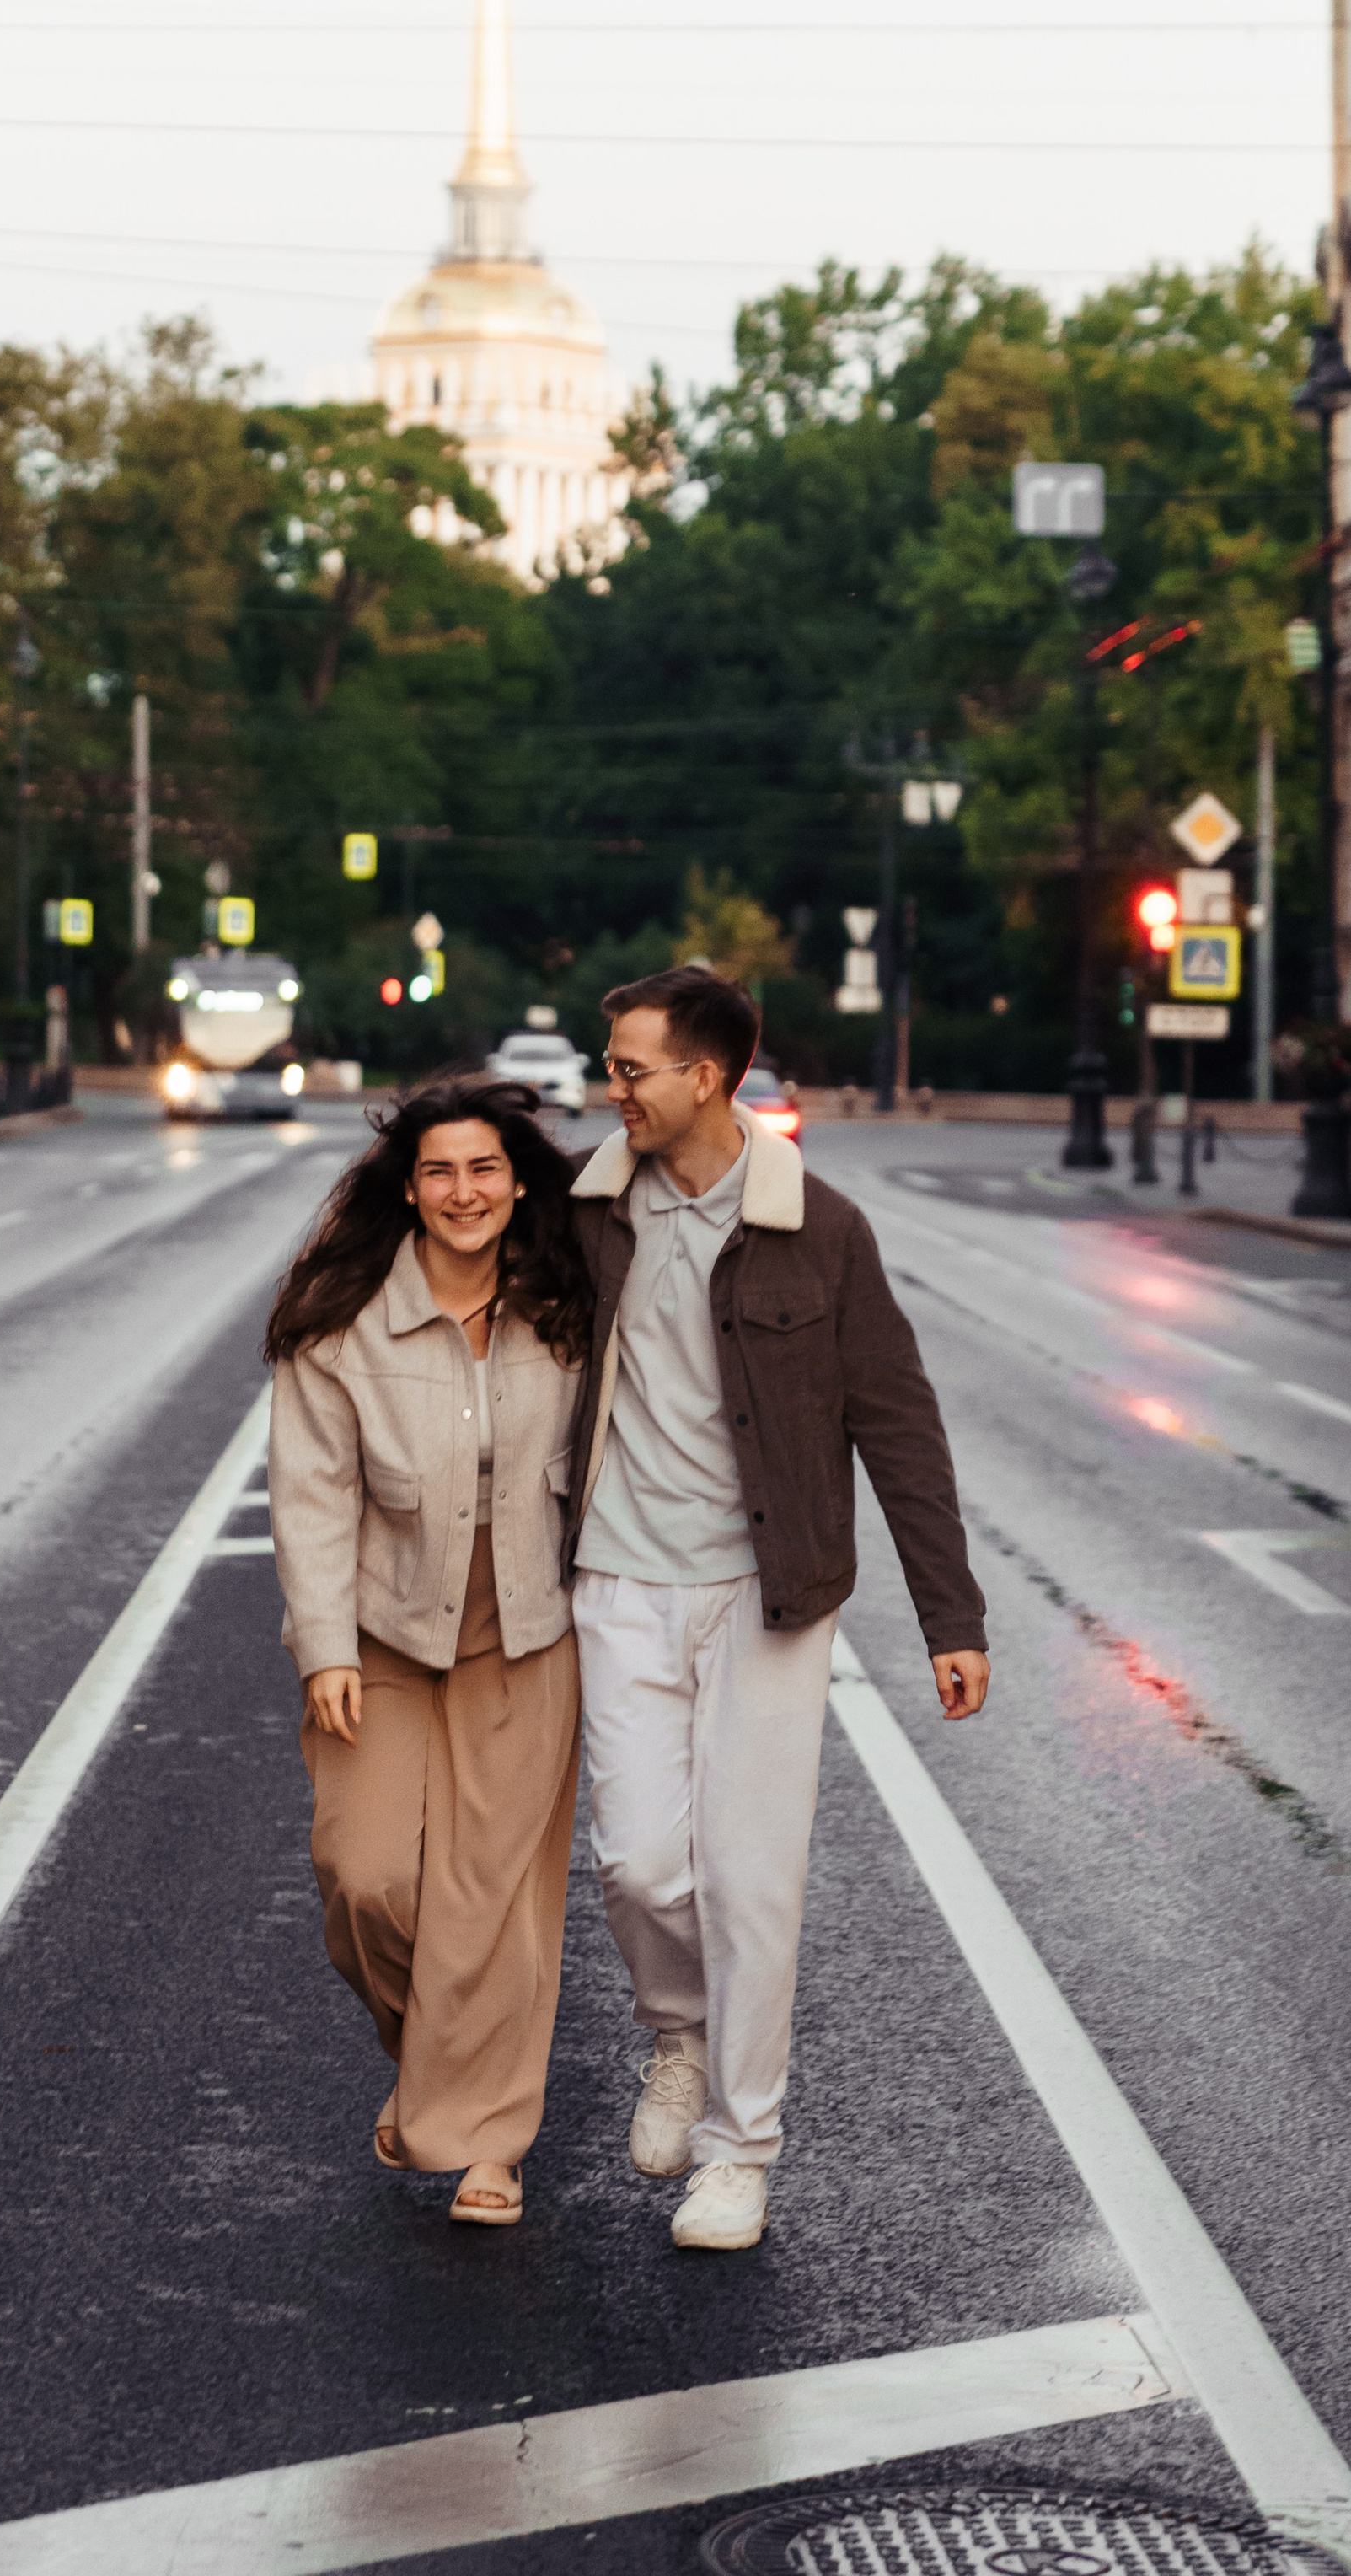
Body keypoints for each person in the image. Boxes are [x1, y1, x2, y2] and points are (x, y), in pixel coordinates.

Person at [566, 964, 988, 2253]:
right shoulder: (584, 1211)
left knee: (754, 1880)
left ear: (708, 1077)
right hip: (618, 1580)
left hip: (769, 1592)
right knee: (637, 1864)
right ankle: (676, 2037)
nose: (612, 1088)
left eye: (631, 1067)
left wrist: (949, 1615)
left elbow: (897, 1423)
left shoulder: (822, 1227)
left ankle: (742, 2149)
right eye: (611, 1065)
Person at [266, 1076, 590, 2227]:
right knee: (368, 1877)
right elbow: (310, 1496)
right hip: (384, 1637)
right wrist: (323, 1649)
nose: (466, 1192)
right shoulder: (341, 1319)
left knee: (492, 1900)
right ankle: (445, 2069)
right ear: (410, 1190)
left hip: (529, 1632)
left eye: (486, 1169)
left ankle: (490, 2142)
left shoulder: (567, 1303)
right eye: (442, 1171)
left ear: (517, 1183)